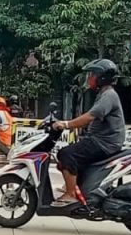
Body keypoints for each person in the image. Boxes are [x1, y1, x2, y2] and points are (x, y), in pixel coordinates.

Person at [51, 59, 124, 206]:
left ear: (102, 77)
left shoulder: (109, 95)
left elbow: (90, 116)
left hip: (104, 144)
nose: (90, 78)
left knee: (66, 153)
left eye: (93, 74)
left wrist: (66, 124)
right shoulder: (104, 94)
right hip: (101, 141)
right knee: (74, 154)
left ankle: (71, 194)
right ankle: (76, 185)